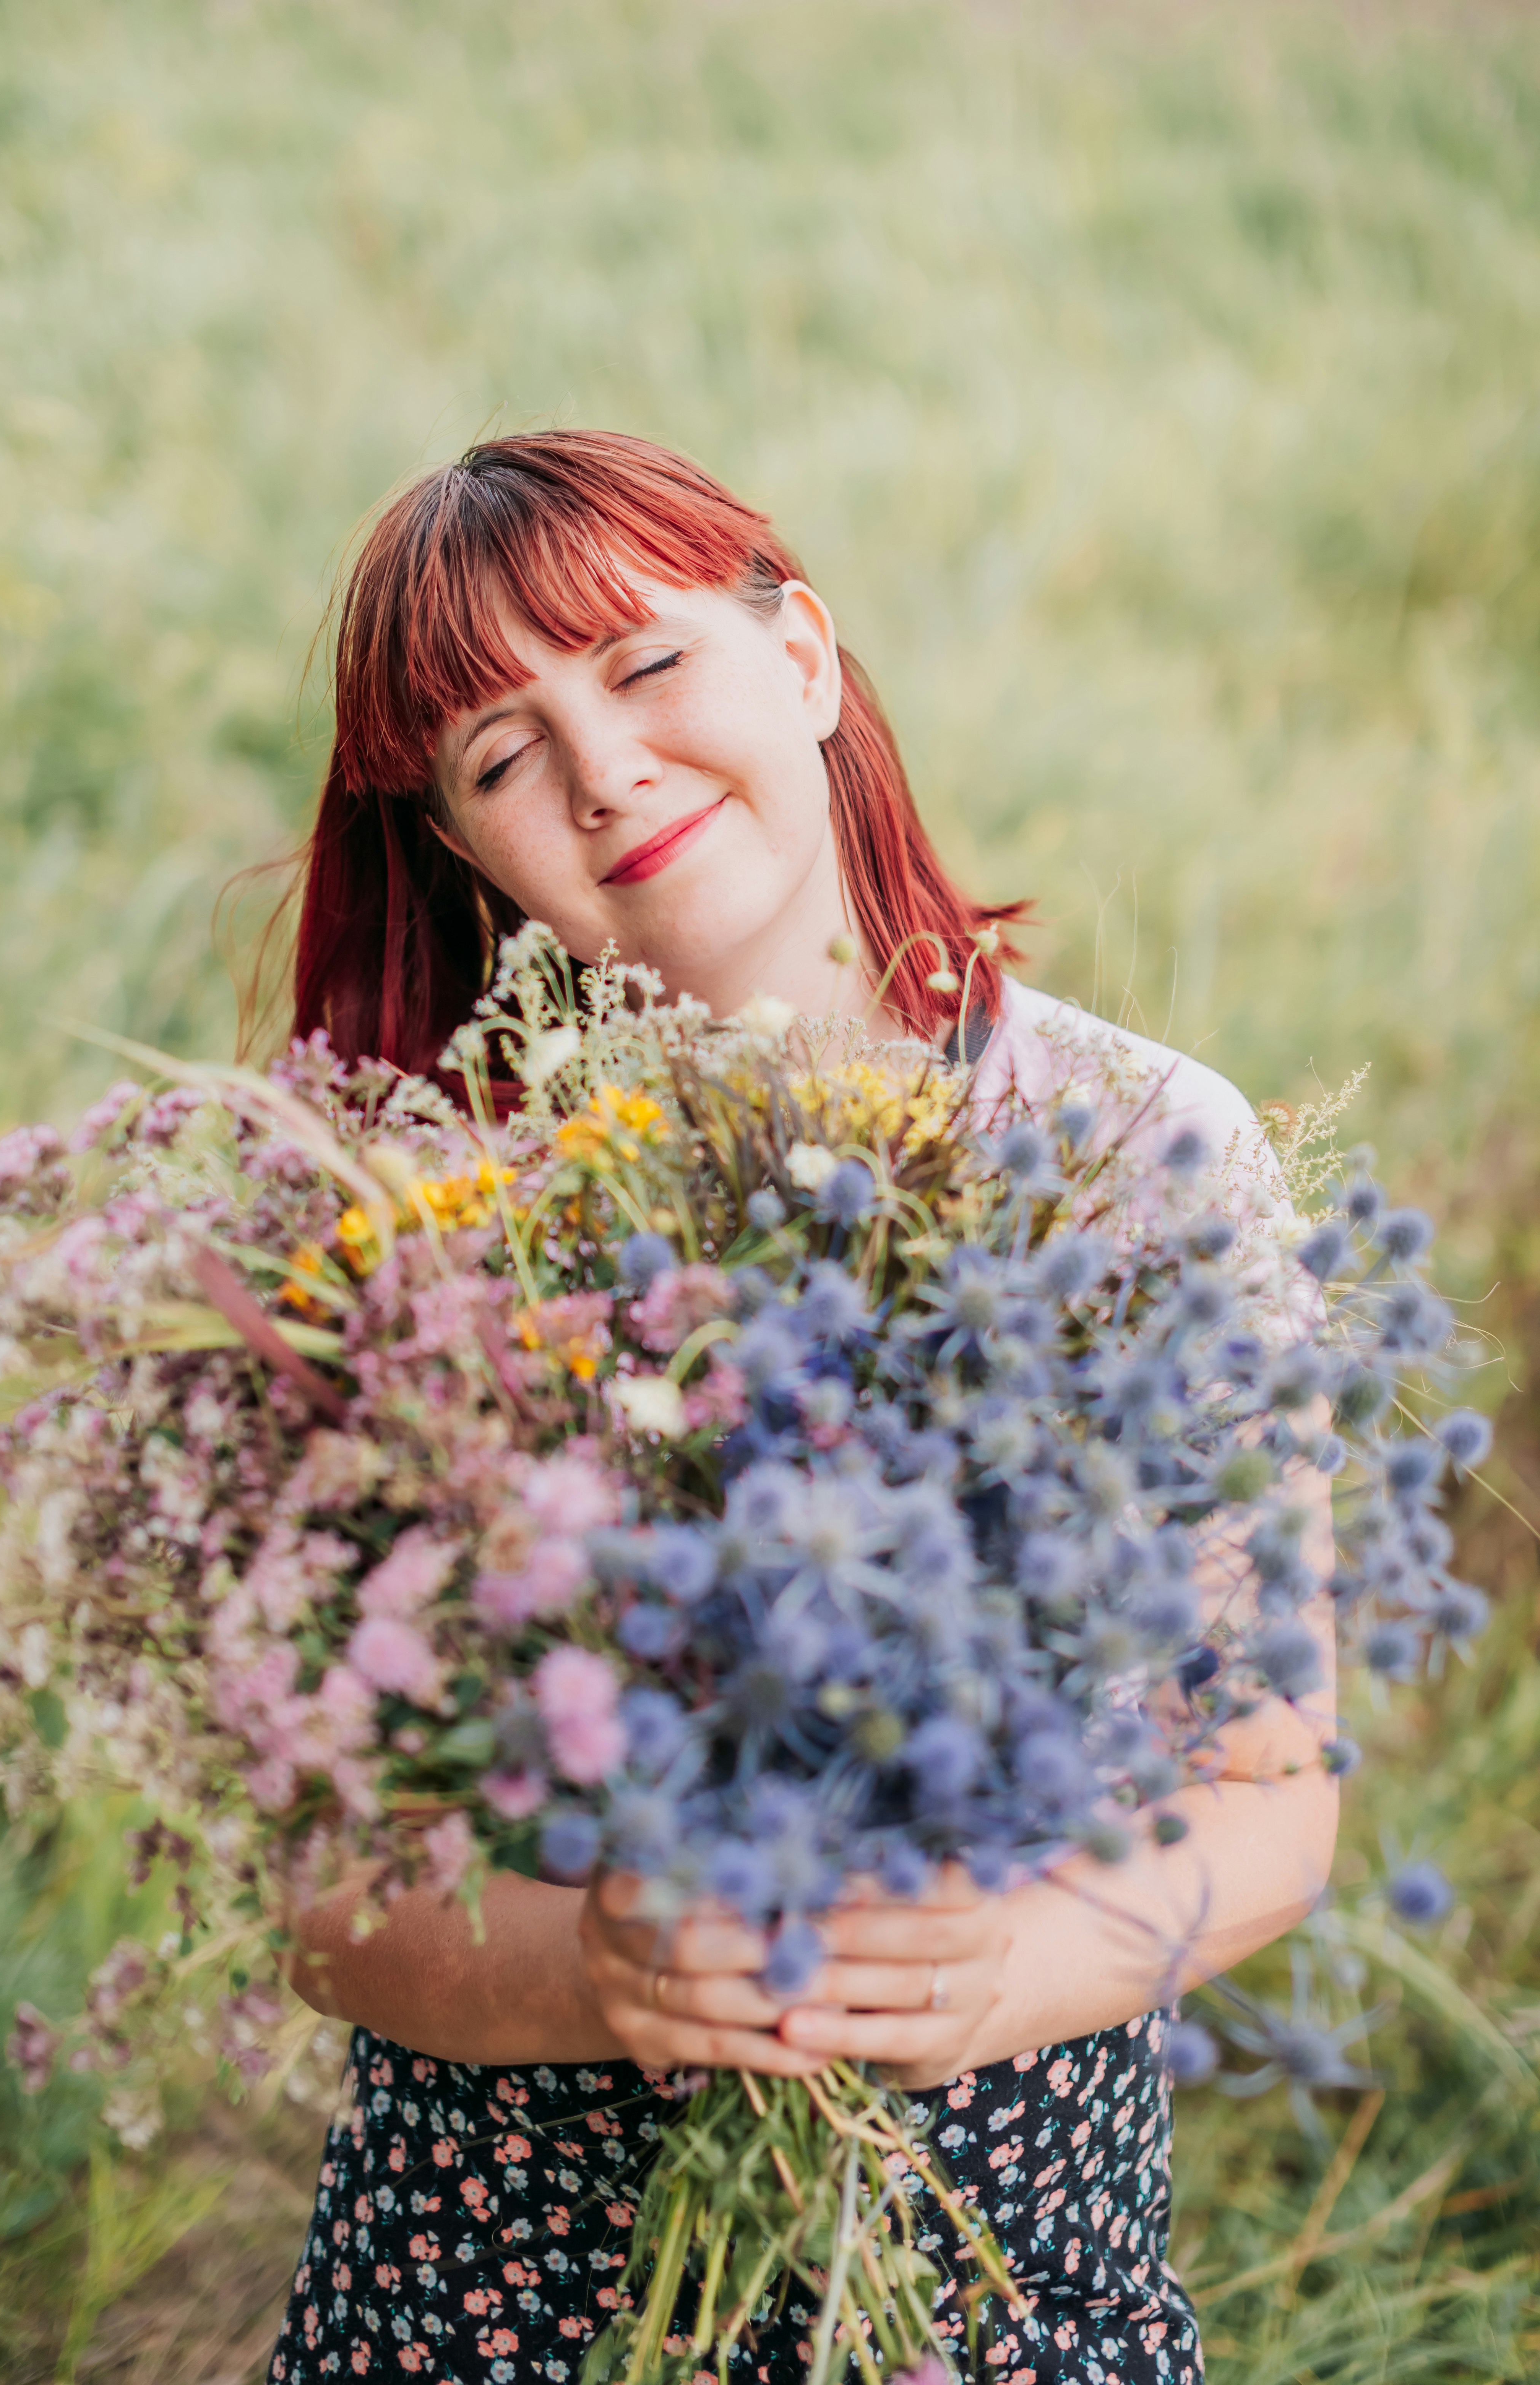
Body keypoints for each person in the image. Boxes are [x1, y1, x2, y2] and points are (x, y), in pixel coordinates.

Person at [270, 430, 1337, 2384]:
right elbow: (326, 1898)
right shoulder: (421, 1227)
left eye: (646, 664)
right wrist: (604, 1972)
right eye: (502, 757)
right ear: (462, 851)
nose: (605, 772)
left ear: (807, 658)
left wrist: (998, 1968)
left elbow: (1270, 1796)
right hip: (492, 2296)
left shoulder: (1133, 1152)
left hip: (999, 2280)